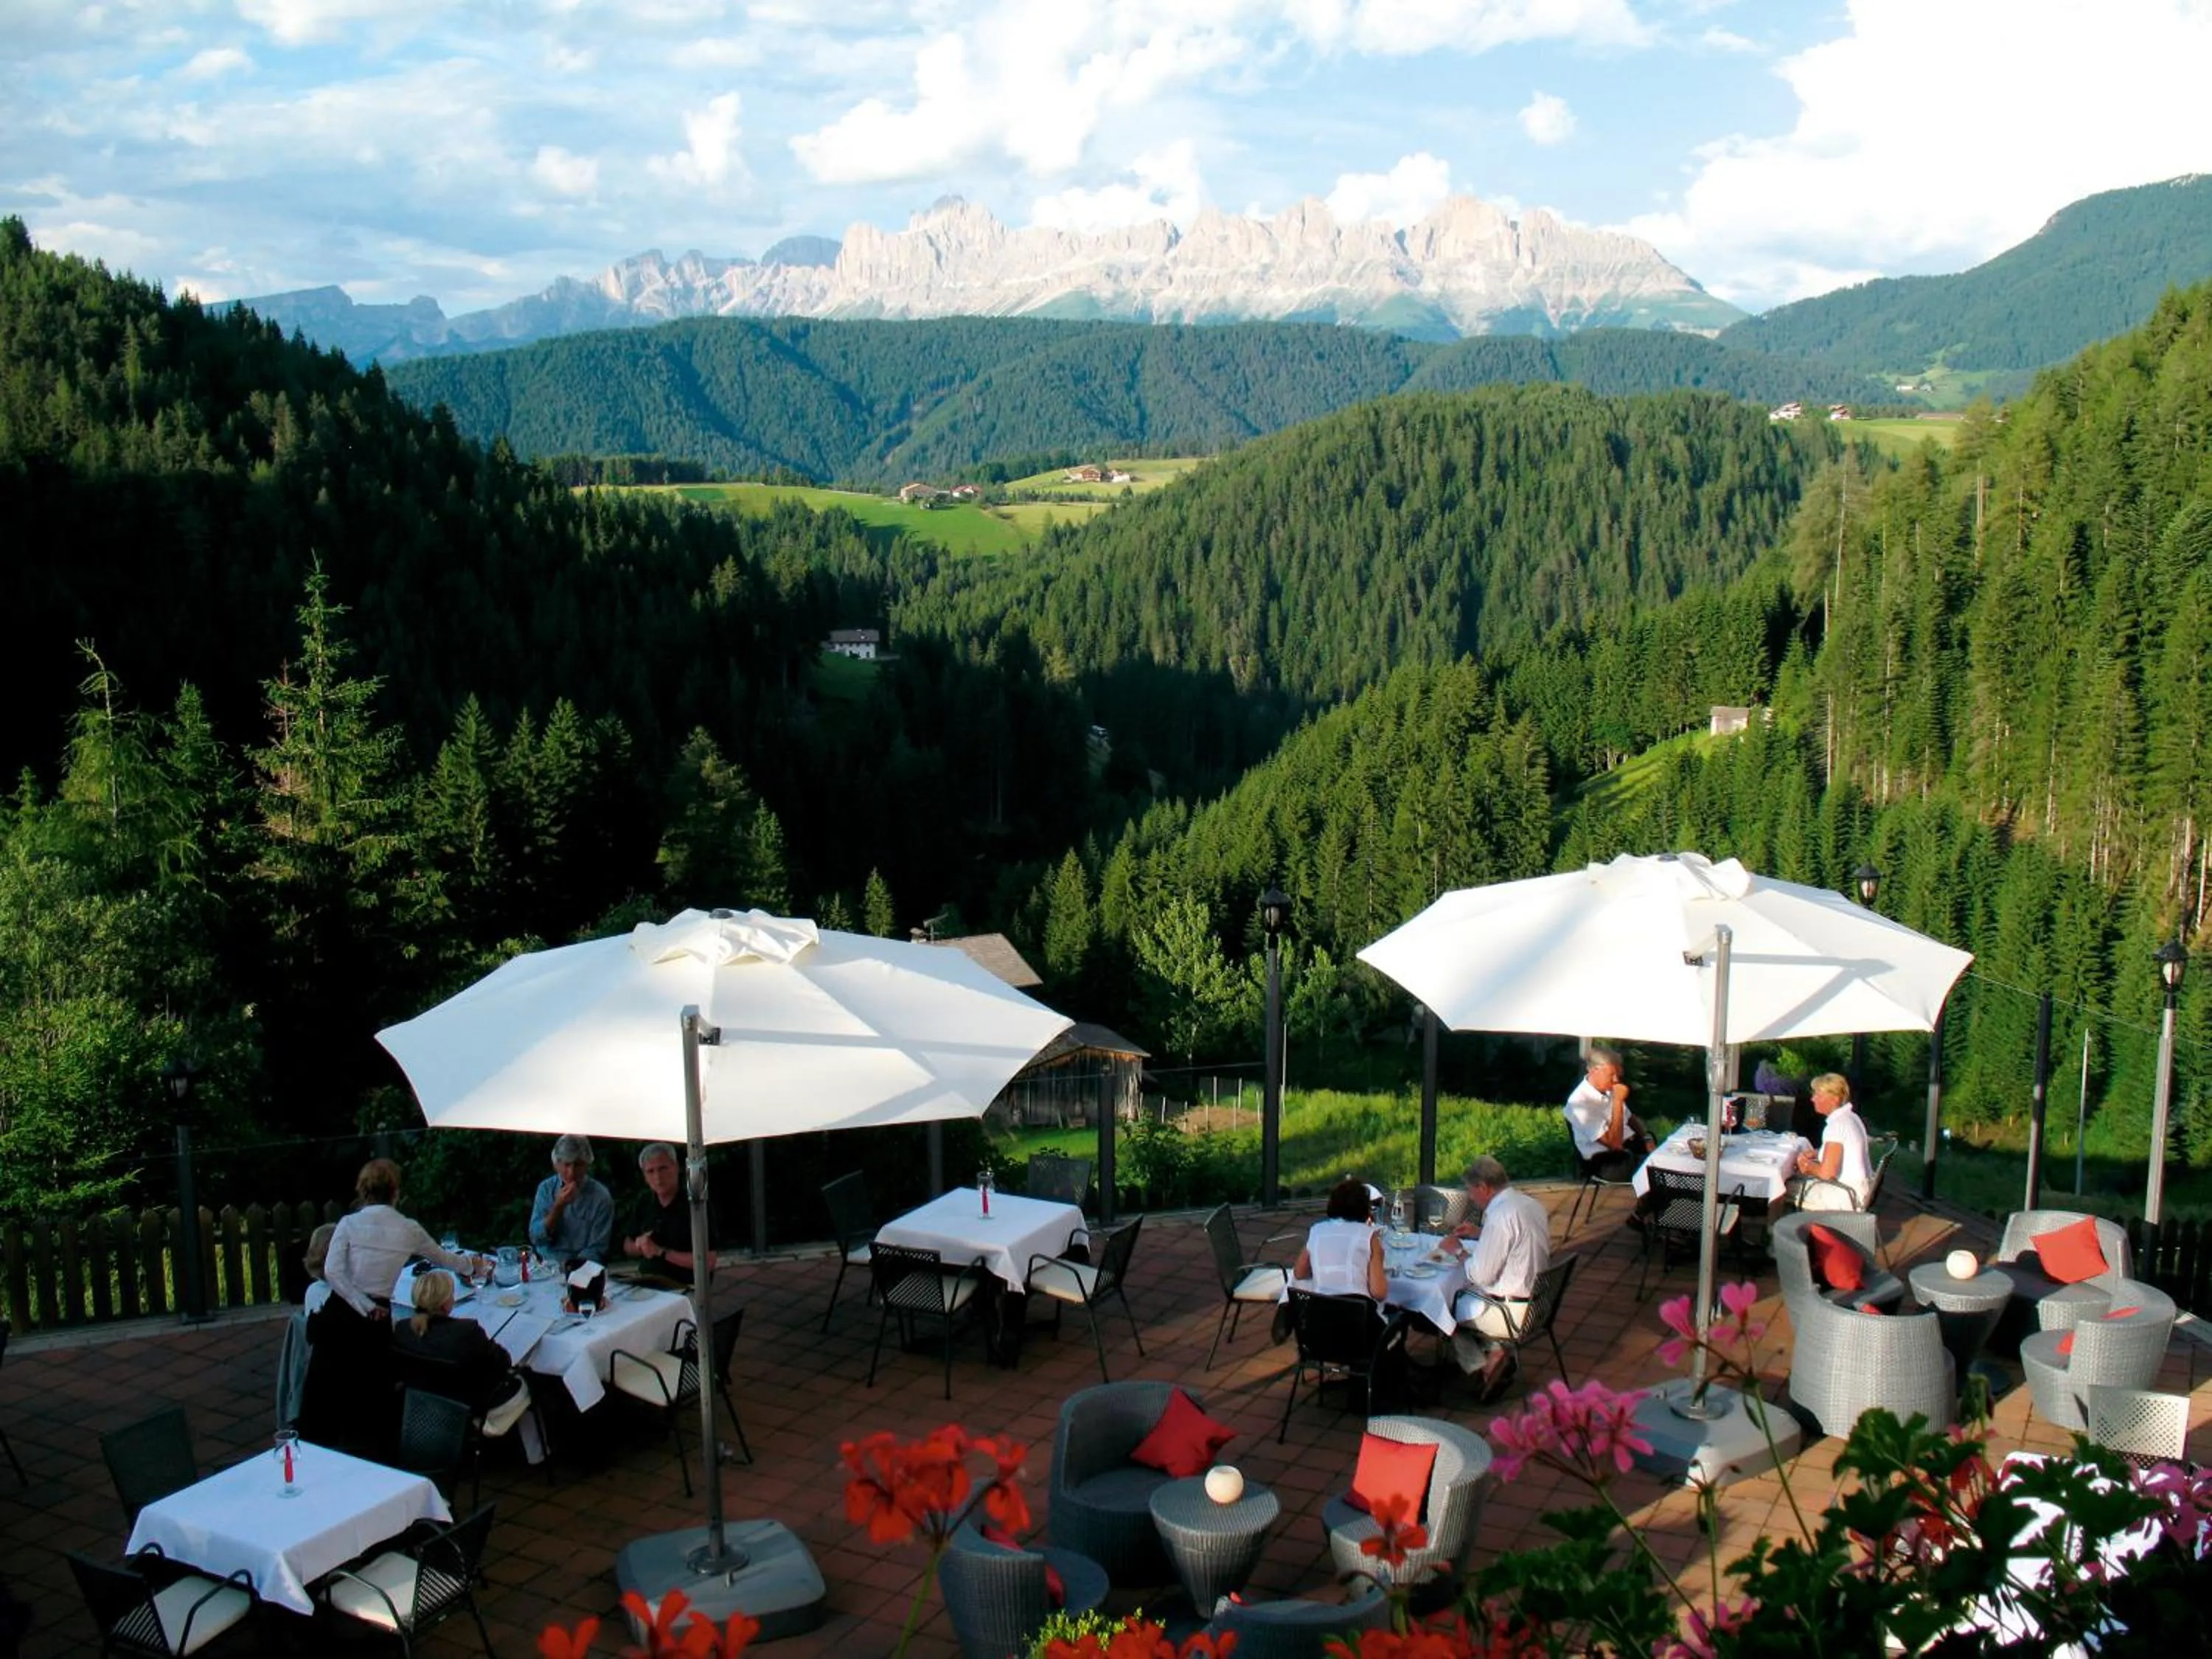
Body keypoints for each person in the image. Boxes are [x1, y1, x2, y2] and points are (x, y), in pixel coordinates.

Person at [304, 1160, 481, 1453]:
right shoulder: (408, 1229)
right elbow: (444, 1258)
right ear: (396, 1192)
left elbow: (333, 1273)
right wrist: (472, 1267)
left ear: (363, 1192)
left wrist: (360, 1302)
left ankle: (319, 1460)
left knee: (326, 1397)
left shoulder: (349, 1224)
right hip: (373, 1320)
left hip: (339, 1314)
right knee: (369, 1402)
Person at [1445, 1156, 1551, 1401]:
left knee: (1444, 1310)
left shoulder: (1500, 1216)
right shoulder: (1529, 1204)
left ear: (1483, 1187)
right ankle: (1493, 1352)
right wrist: (1480, 1233)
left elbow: (1481, 1274)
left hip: (1510, 1311)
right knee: (1457, 1300)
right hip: (1540, 1302)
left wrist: (1457, 1250)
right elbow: (1516, 1240)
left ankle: (1486, 1363)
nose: (1471, 1198)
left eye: (1471, 1191)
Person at [392, 1270, 537, 1443]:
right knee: (530, 1378)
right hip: (474, 1406)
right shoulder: (467, 1331)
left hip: (425, 1402)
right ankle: (537, 1453)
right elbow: (503, 1362)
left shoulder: (402, 1329)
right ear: (446, 1303)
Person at [1562, 1045, 1656, 1177]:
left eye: (1617, 1075)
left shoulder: (1608, 1089)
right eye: (1611, 1075)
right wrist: (1617, 1101)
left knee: (1668, 1157)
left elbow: (1630, 1118)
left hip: (1630, 1147)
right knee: (1660, 1173)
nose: (1616, 1080)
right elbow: (1615, 1145)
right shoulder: (1579, 1103)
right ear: (1595, 1071)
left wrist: (1646, 1137)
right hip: (1606, 1161)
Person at [1294, 1178, 1389, 1301]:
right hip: (1357, 1312)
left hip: (1320, 1312)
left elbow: (1300, 1273)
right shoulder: (1369, 1235)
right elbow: (1379, 1293)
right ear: (1365, 1208)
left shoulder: (1317, 1230)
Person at [623, 1142, 703, 1284]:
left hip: (682, 1285)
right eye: (651, 1172)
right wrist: (640, 1245)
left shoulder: (696, 1204)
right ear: (645, 1177)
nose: (658, 1177)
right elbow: (627, 1245)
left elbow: (708, 1261)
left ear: (677, 1168)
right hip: (647, 1281)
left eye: (663, 1169)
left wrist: (661, 1252)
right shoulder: (644, 1201)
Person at [1790, 1072, 1873, 1208]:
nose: (1813, 1099)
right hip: (1859, 1191)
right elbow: (1844, 1151)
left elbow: (1827, 1174)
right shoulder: (1851, 1118)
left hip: (1845, 1196)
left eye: (1818, 1095)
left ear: (1834, 1099)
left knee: (1784, 1186)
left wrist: (1806, 1166)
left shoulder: (1837, 1126)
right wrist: (1816, 1153)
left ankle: (1781, 1227)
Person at [529, 1134, 614, 1263]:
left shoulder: (601, 1197)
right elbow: (536, 1238)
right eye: (567, 1165)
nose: (572, 1172)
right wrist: (558, 1207)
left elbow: (597, 1249)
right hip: (547, 1264)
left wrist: (573, 1269)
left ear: (587, 1165)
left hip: (582, 1266)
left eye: (578, 1165)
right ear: (556, 1165)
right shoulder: (546, 1189)